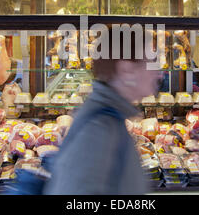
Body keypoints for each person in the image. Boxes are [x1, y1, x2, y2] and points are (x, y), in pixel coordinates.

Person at [43, 29, 163, 195]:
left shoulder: (111, 118)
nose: (158, 74)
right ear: (126, 70)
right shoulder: (99, 128)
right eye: (151, 62)